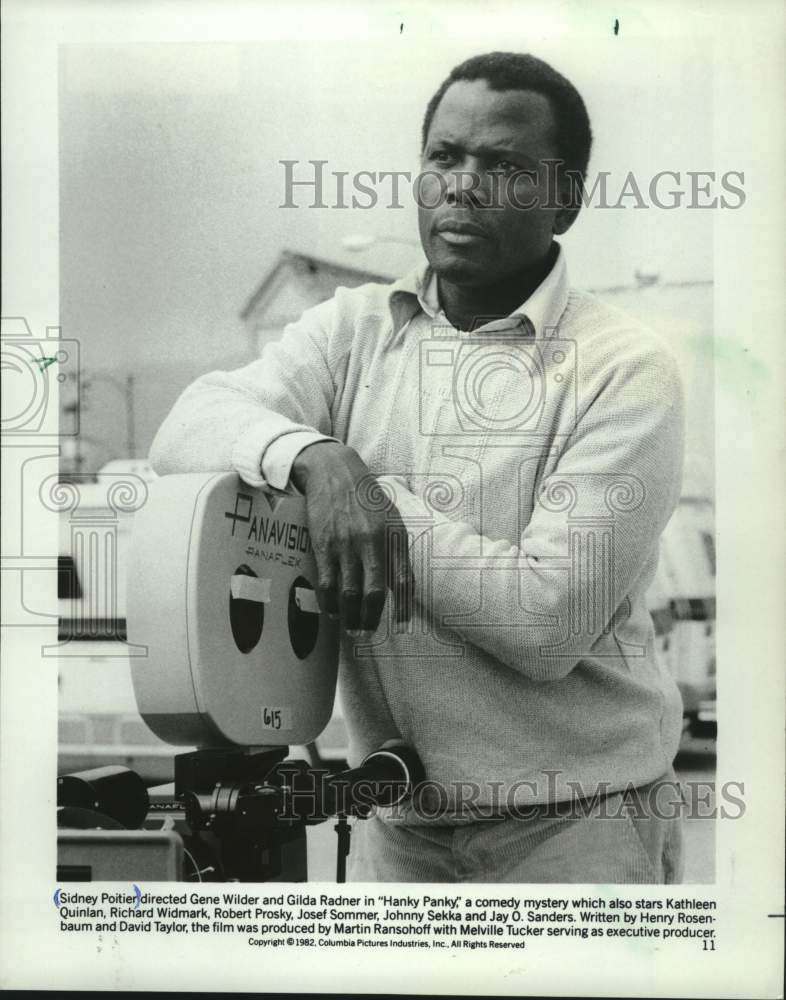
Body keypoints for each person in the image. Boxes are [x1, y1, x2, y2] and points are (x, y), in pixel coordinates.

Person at [150, 51, 686, 883]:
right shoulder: (355, 328)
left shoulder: (625, 368)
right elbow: (185, 429)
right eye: (444, 156)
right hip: (398, 829)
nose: (462, 186)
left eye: (503, 166)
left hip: (577, 829)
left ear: (566, 201)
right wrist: (319, 461)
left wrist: (380, 502)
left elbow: (546, 623)